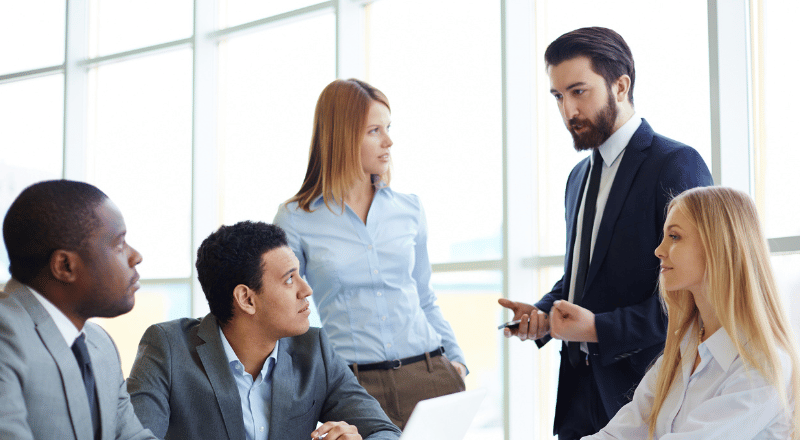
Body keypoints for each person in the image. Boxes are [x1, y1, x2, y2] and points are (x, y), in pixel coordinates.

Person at [498, 27, 713, 439]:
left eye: (579, 92)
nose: (568, 111)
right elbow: (584, 274)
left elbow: (696, 292)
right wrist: (545, 315)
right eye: (559, 96)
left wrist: (598, 328)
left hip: (643, 389)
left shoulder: (675, 164)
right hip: (577, 391)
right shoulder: (578, 177)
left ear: (620, 85)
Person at [273, 78, 467, 429]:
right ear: (343, 137)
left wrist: (456, 361)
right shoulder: (296, 218)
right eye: (375, 130)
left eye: (388, 128)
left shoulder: (409, 209)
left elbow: (424, 296)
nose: (389, 141)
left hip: (431, 375)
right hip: (353, 386)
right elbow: (285, 313)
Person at [127, 221, 401, 440]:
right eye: (290, 279)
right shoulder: (167, 347)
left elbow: (385, 431)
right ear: (246, 299)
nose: (306, 291)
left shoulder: (315, 349)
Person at [585, 186, 799, 439]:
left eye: (674, 237)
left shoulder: (762, 366)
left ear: (717, 245)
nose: (659, 250)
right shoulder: (681, 352)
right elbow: (619, 434)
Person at [0, 180, 156, 440]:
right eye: (119, 243)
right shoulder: (6, 333)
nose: (135, 256)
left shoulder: (99, 344)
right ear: (65, 266)